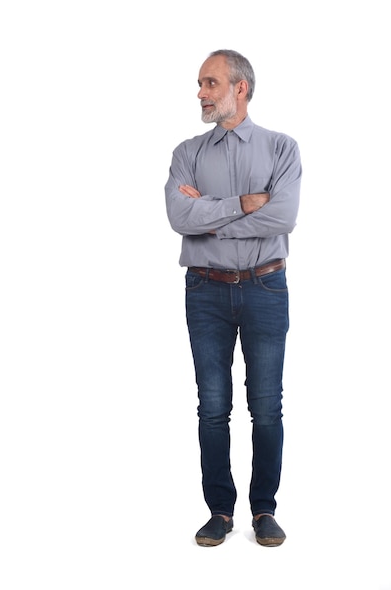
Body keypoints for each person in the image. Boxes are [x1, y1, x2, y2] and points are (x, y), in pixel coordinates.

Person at [165, 49, 301, 547]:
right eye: (200, 84)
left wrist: (211, 214)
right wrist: (246, 203)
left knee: (266, 405)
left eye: (209, 83)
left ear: (239, 88)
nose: (200, 93)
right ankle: (220, 511)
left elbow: (282, 218)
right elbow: (180, 219)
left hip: (266, 286)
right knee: (212, 405)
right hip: (205, 290)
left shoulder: (281, 148)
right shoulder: (187, 153)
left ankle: (264, 510)